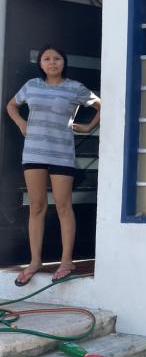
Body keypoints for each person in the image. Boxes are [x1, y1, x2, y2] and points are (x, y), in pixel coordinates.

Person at [6, 44, 101, 286]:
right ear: (40, 63)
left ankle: (67, 261)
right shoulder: (31, 86)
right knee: (37, 206)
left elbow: (100, 105)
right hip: (34, 152)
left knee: (63, 206)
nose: (52, 62)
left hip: (61, 153)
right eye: (47, 59)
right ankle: (35, 261)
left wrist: (88, 127)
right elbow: (11, 105)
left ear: (63, 62)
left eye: (56, 58)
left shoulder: (74, 88)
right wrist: (21, 123)